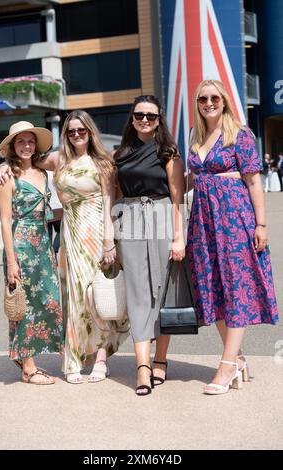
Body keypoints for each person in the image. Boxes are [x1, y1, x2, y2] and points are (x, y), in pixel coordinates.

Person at [0, 111, 129, 384]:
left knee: (97, 293)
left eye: (81, 130)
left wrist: (108, 240)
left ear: (90, 132)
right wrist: (3, 166)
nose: (77, 135)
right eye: (71, 131)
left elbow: (108, 203)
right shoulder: (58, 159)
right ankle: (74, 356)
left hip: (96, 231)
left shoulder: (102, 161)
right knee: (72, 296)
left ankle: (101, 358)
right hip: (70, 232)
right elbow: (26, 161)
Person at [187, 79, 279, 395]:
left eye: (214, 97)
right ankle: (236, 358)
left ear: (224, 101)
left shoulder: (240, 135)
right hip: (202, 222)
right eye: (202, 98)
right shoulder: (195, 136)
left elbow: (254, 182)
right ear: (197, 103)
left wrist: (261, 225)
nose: (208, 102)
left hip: (233, 219)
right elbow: (188, 180)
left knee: (237, 286)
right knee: (212, 287)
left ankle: (226, 365)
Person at [113, 95, 185, 396]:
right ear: (132, 118)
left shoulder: (169, 154)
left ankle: (160, 358)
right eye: (139, 115)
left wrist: (179, 236)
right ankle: (142, 367)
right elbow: (112, 195)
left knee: (164, 291)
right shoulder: (119, 155)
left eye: (151, 116)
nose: (145, 120)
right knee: (138, 293)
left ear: (159, 120)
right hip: (129, 219)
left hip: (162, 218)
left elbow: (177, 197)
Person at [0, 121, 64, 385]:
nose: (26, 146)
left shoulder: (42, 173)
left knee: (47, 300)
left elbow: (48, 212)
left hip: (43, 243)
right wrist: (11, 261)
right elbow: (4, 221)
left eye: (30, 141)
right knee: (23, 306)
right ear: (13, 146)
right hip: (20, 246)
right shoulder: (7, 177)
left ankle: (28, 357)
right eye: (21, 141)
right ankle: (28, 367)